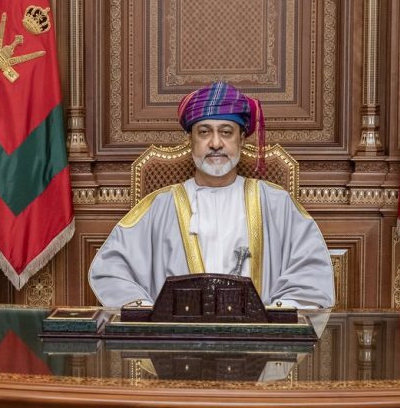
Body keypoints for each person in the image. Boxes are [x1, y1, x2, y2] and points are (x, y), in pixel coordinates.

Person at [89, 81, 335, 309]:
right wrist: (149, 314)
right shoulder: (160, 206)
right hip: (178, 338)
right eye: (204, 132)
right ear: (191, 140)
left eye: (226, 132)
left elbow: (311, 275)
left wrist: (275, 317)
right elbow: (110, 270)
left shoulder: (276, 204)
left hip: (257, 337)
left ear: (241, 139)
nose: (215, 143)